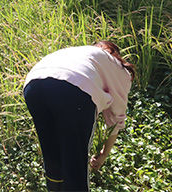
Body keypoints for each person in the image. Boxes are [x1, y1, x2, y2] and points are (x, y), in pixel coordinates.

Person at [23, 41, 135, 191]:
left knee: (51, 154)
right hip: (73, 89)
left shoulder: (76, 52)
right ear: (115, 54)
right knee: (74, 162)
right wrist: (103, 154)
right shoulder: (117, 66)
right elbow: (116, 119)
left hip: (33, 85)